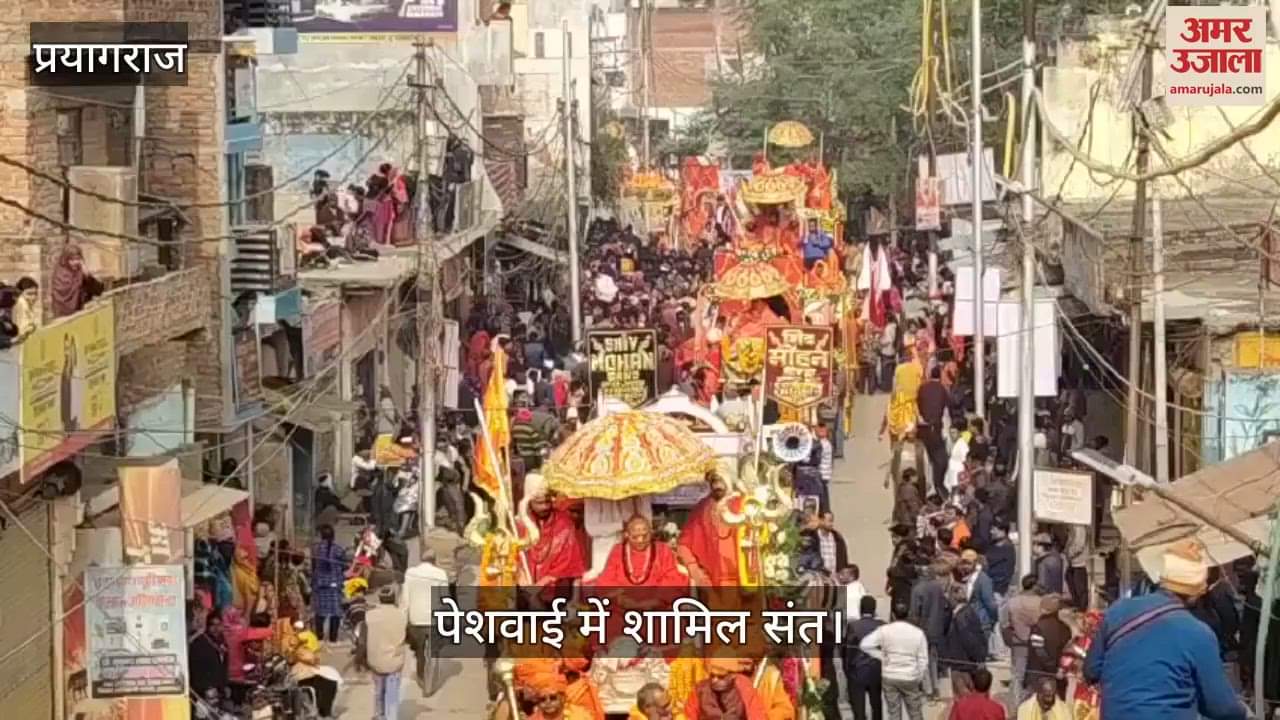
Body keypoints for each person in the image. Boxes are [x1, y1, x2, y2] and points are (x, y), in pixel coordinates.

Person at [1082, 540, 1247, 720]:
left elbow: (1091, 671)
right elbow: (1222, 709)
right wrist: (1245, 712)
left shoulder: (1117, 611)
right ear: (1197, 593)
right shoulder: (1199, 634)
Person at [516, 474, 588, 594]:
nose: (544, 507)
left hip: (556, 587)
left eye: (547, 502)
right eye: (539, 503)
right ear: (529, 503)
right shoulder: (519, 525)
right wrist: (521, 576)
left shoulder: (564, 523)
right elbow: (515, 557)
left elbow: (567, 562)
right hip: (525, 585)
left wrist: (541, 584)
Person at [860, 601, 928, 720]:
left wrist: (881, 655)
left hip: (890, 675)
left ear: (892, 615)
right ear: (908, 614)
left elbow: (864, 644)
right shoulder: (918, 633)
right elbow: (923, 659)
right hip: (910, 675)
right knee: (915, 712)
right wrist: (919, 676)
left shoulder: (884, 630)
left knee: (894, 712)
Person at [677, 474, 740, 588]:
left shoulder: (745, 504)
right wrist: (695, 570)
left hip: (745, 580)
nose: (717, 485)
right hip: (712, 583)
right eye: (714, 481)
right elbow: (683, 545)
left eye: (722, 480)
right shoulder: (702, 508)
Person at [402, 547, 449, 690]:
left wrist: (405, 618)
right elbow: (445, 598)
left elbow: (405, 598)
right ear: (434, 561)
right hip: (434, 619)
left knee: (419, 651)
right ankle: (431, 681)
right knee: (435, 650)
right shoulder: (441, 574)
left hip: (416, 619)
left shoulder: (410, 573)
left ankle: (421, 677)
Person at [909, 560, 951, 699]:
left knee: (923, 659)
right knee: (933, 659)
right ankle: (936, 687)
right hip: (937, 628)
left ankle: (928, 689)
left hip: (923, 629)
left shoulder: (917, 589)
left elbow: (915, 612)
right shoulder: (938, 587)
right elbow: (945, 607)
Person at [1000, 575, 1042, 711]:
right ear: (1034, 585)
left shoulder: (1012, 602)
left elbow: (1004, 624)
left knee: (1017, 676)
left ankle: (1016, 708)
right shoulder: (1041, 602)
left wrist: (1009, 641)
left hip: (1018, 643)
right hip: (1037, 644)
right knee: (1036, 676)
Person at [366, 585, 407, 720]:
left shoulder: (370, 615)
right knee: (392, 694)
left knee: (378, 691)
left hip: (375, 660)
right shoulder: (401, 615)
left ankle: (378, 715)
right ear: (394, 598)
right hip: (394, 661)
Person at [685, 656, 768, 720]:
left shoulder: (744, 687)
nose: (714, 680)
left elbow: (757, 715)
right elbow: (688, 715)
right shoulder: (700, 689)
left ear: (733, 675)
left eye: (720, 677)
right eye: (712, 675)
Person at [941, 583, 988, 696]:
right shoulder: (963, 613)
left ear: (953, 596)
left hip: (963, 665)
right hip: (965, 664)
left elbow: (970, 641)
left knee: (964, 701)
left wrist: (978, 660)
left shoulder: (962, 617)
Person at [844, 595, 885, 720]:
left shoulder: (854, 626)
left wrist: (847, 671)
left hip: (858, 671)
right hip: (877, 670)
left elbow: (848, 651)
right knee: (876, 705)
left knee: (859, 709)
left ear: (860, 608)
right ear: (874, 609)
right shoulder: (882, 625)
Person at [1025, 595, 1071, 700]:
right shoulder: (1065, 628)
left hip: (1038, 675)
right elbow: (1067, 652)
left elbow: (1039, 652)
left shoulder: (1037, 628)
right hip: (1059, 677)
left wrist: (1051, 667)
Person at [916, 364, 951, 494]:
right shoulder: (942, 390)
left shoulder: (922, 388)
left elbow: (918, 404)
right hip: (935, 428)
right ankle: (937, 485)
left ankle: (927, 485)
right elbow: (949, 406)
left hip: (923, 428)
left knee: (926, 458)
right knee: (938, 457)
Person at [310, 524, 348, 642]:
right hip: (334, 585)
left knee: (320, 612)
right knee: (335, 612)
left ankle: (319, 636)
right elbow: (343, 566)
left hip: (320, 585)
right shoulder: (339, 550)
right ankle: (333, 638)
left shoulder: (315, 549)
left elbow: (313, 566)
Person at [189, 608, 229, 700]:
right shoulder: (200, 643)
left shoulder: (222, 642)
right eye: (212, 625)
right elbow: (196, 668)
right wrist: (207, 688)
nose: (216, 628)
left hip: (218, 690)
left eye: (219, 625)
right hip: (204, 691)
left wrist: (224, 686)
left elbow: (223, 667)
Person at [813, 511, 848, 575]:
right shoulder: (813, 538)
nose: (831, 524)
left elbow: (843, 560)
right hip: (818, 577)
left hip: (835, 578)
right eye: (829, 521)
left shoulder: (838, 538)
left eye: (832, 521)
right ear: (821, 521)